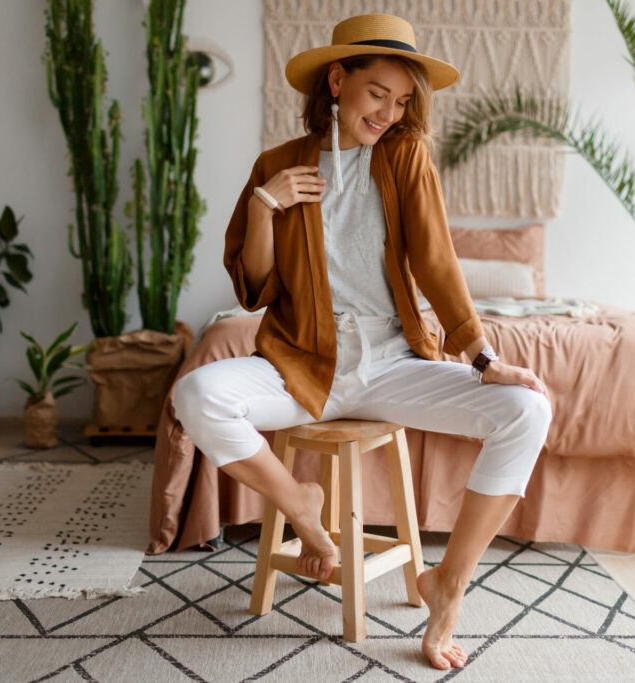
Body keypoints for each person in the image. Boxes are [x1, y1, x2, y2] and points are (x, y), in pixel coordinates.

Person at [172, 14, 552, 671]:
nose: (389, 111)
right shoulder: (278, 165)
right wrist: (265, 204)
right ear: (338, 80)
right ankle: (299, 502)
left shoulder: (403, 156)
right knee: (196, 392)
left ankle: (448, 584)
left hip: (391, 363)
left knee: (528, 409)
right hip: (301, 364)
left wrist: (482, 357)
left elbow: (437, 261)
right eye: (378, 93)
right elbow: (253, 288)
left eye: (402, 100)